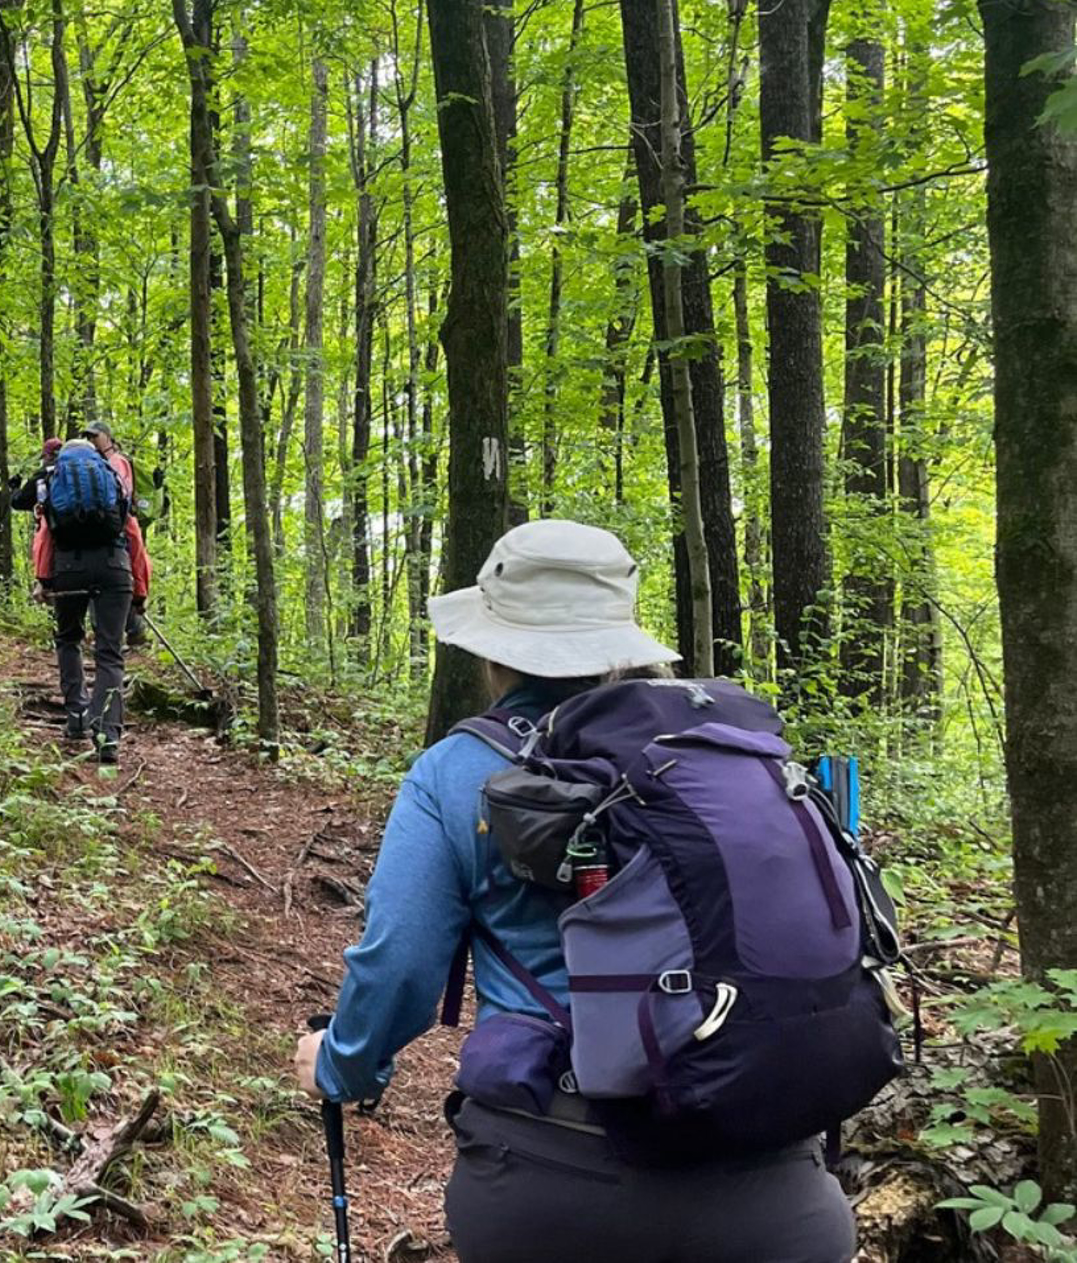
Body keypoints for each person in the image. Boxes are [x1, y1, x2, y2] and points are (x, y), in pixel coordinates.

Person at [290, 520, 858, 1263]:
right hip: (777, 1192)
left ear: (494, 649)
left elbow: (400, 969)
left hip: (552, 1187)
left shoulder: (454, 772)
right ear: (619, 644)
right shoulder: (718, 759)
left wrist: (339, 1063)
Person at [46, 437, 131, 764]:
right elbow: (132, 533)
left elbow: (44, 537)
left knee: (68, 639)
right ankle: (107, 737)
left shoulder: (55, 479)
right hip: (115, 567)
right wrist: (139, 589)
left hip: (69, 568)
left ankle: (77, 716)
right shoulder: (112, 479)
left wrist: (44, 580)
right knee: (110, 653)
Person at [82, 420, 152, 646]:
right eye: (89, 437)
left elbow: (121, 493)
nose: (92, 440)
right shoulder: (98, 463)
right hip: (110, 527)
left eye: (95, 435)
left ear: (107, 437)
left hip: (120, 525)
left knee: (125, 575)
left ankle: (128, 630)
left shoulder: (117, 461)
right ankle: (126, 630)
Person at [10, 438, 65, 596]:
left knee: (44, 543)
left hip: (53, 534)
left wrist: (14, 488)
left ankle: (43, 583)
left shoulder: (42, 476)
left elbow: (19, 502)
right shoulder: (75, 472)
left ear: (47, 456)